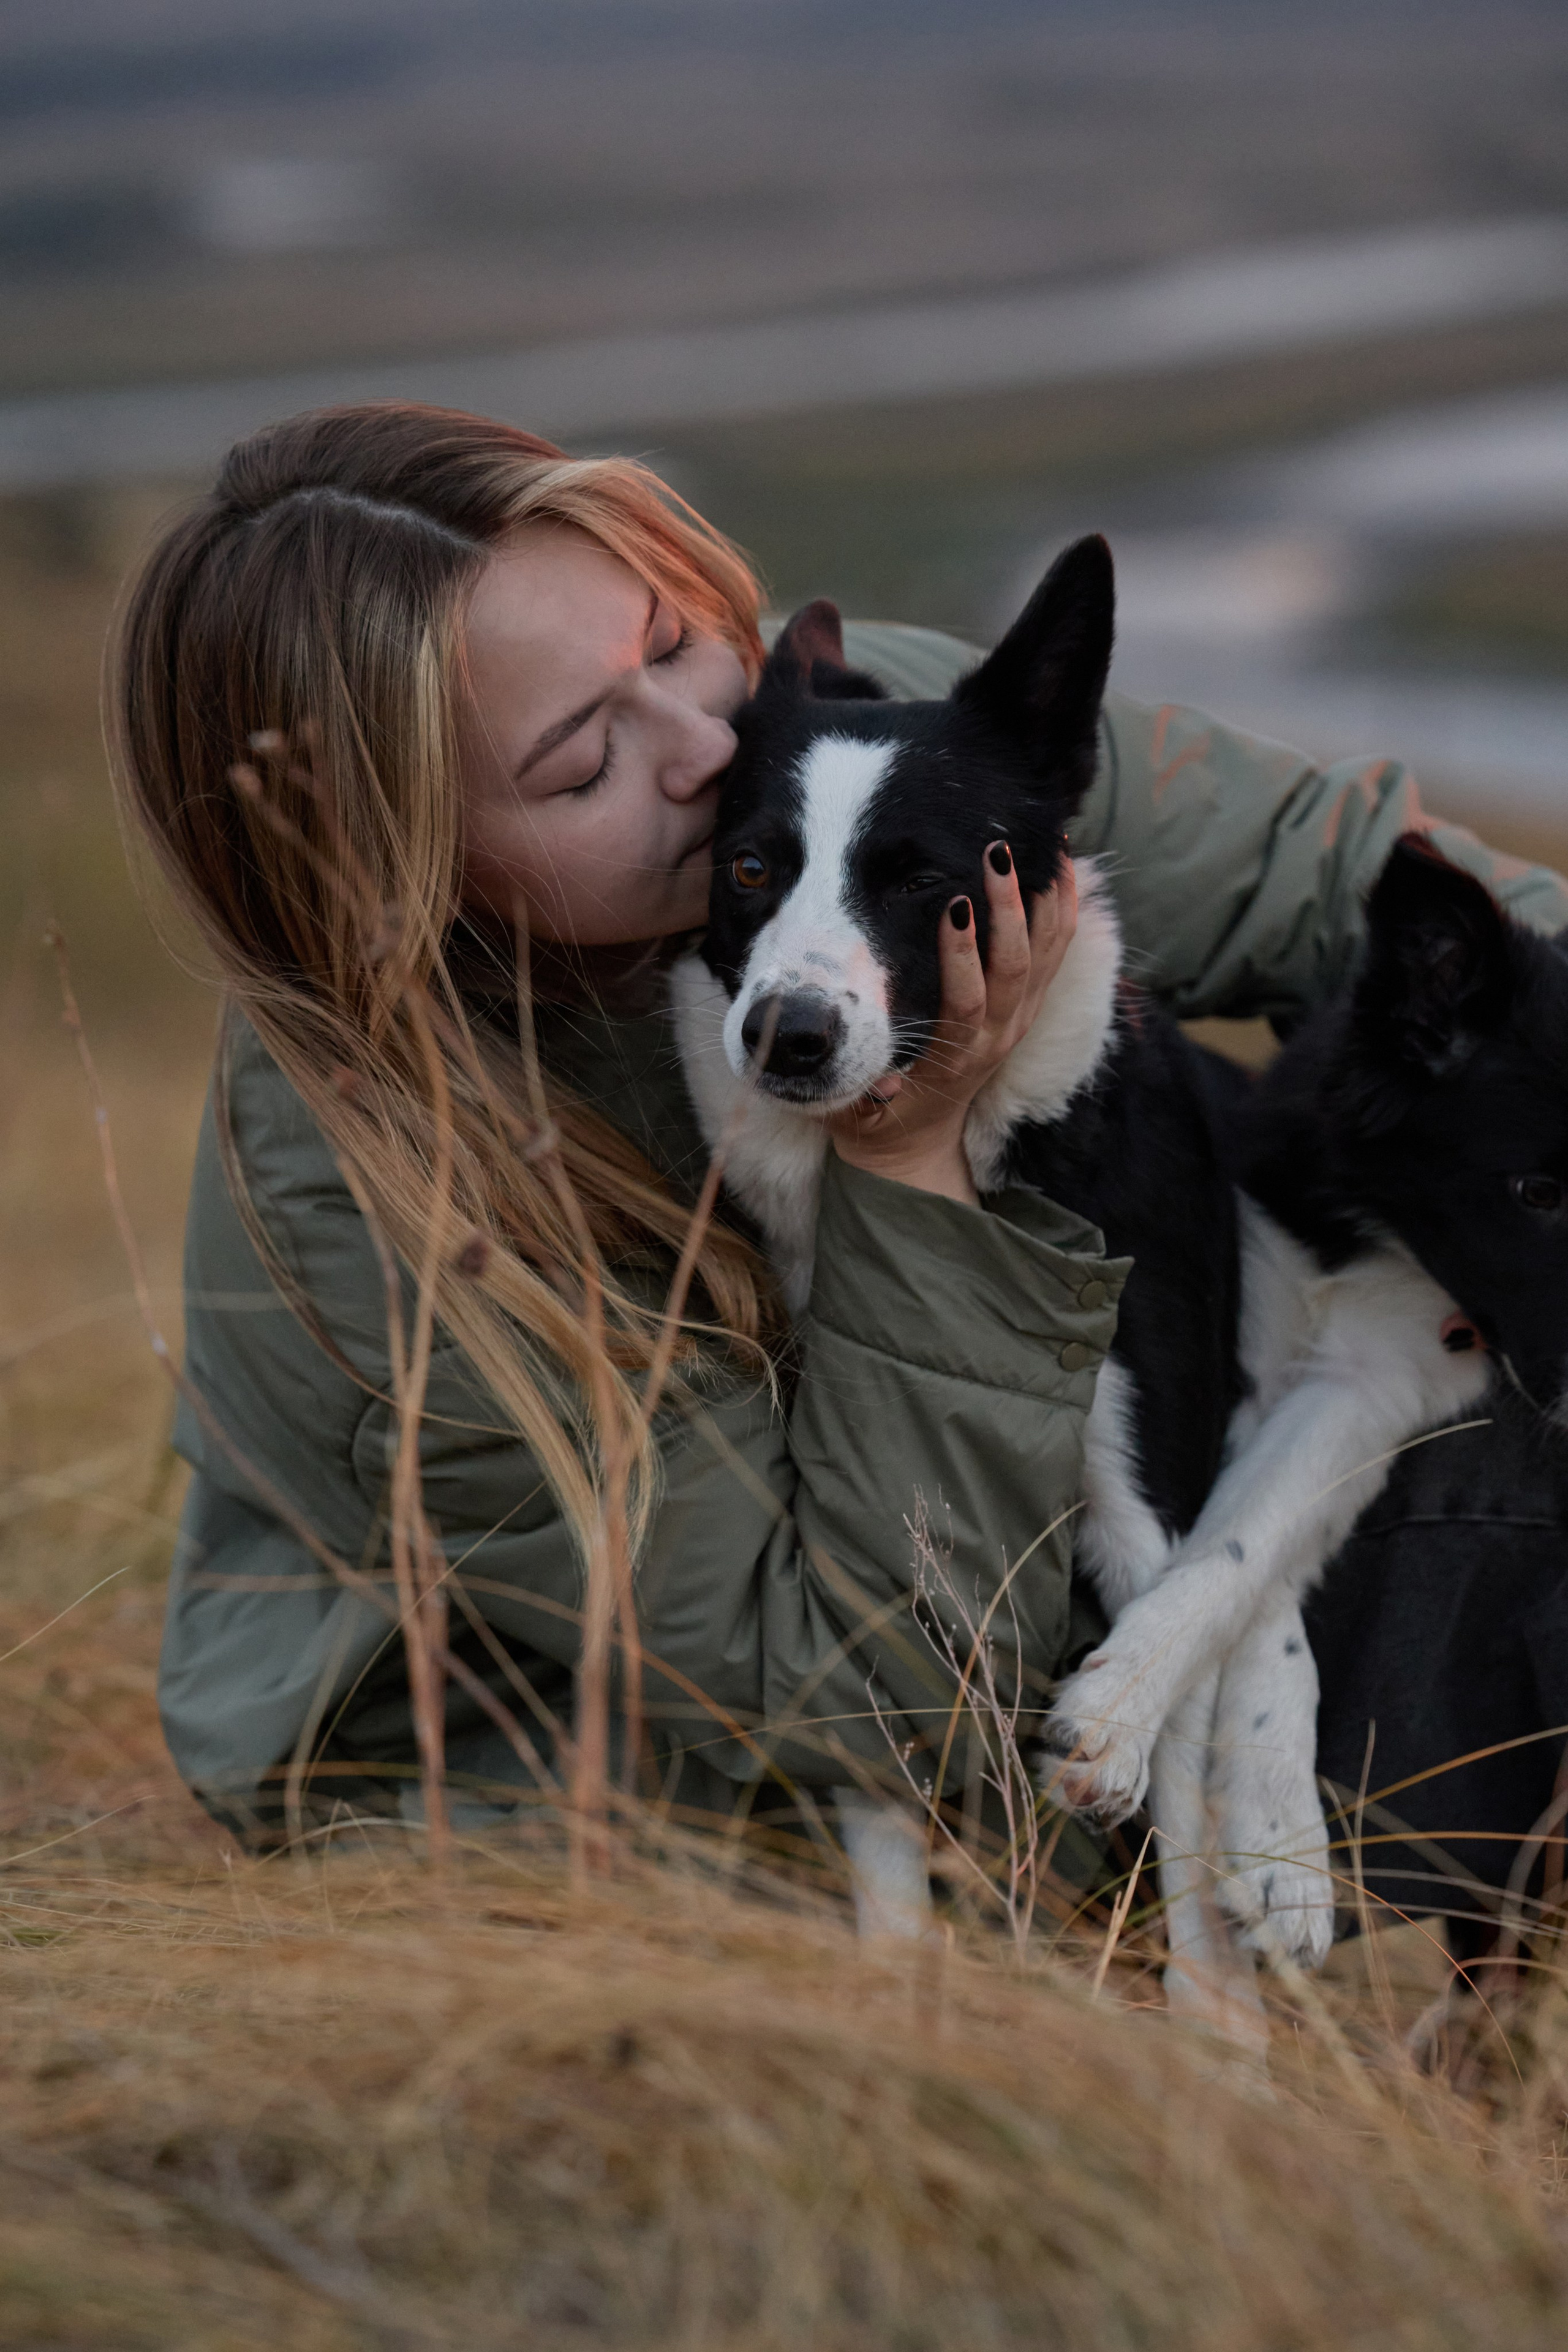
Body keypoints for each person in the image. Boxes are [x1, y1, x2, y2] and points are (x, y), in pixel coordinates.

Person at [113, 402, 1568, 1929]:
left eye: (670, 643)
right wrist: (906, 1148)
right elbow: (858, 1677)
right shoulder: (382, 1212)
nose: (702, 748)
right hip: (613, 1791)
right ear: (400, 870)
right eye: (579, 761)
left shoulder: (858, 752)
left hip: (999, 1573)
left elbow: (1340, 873)